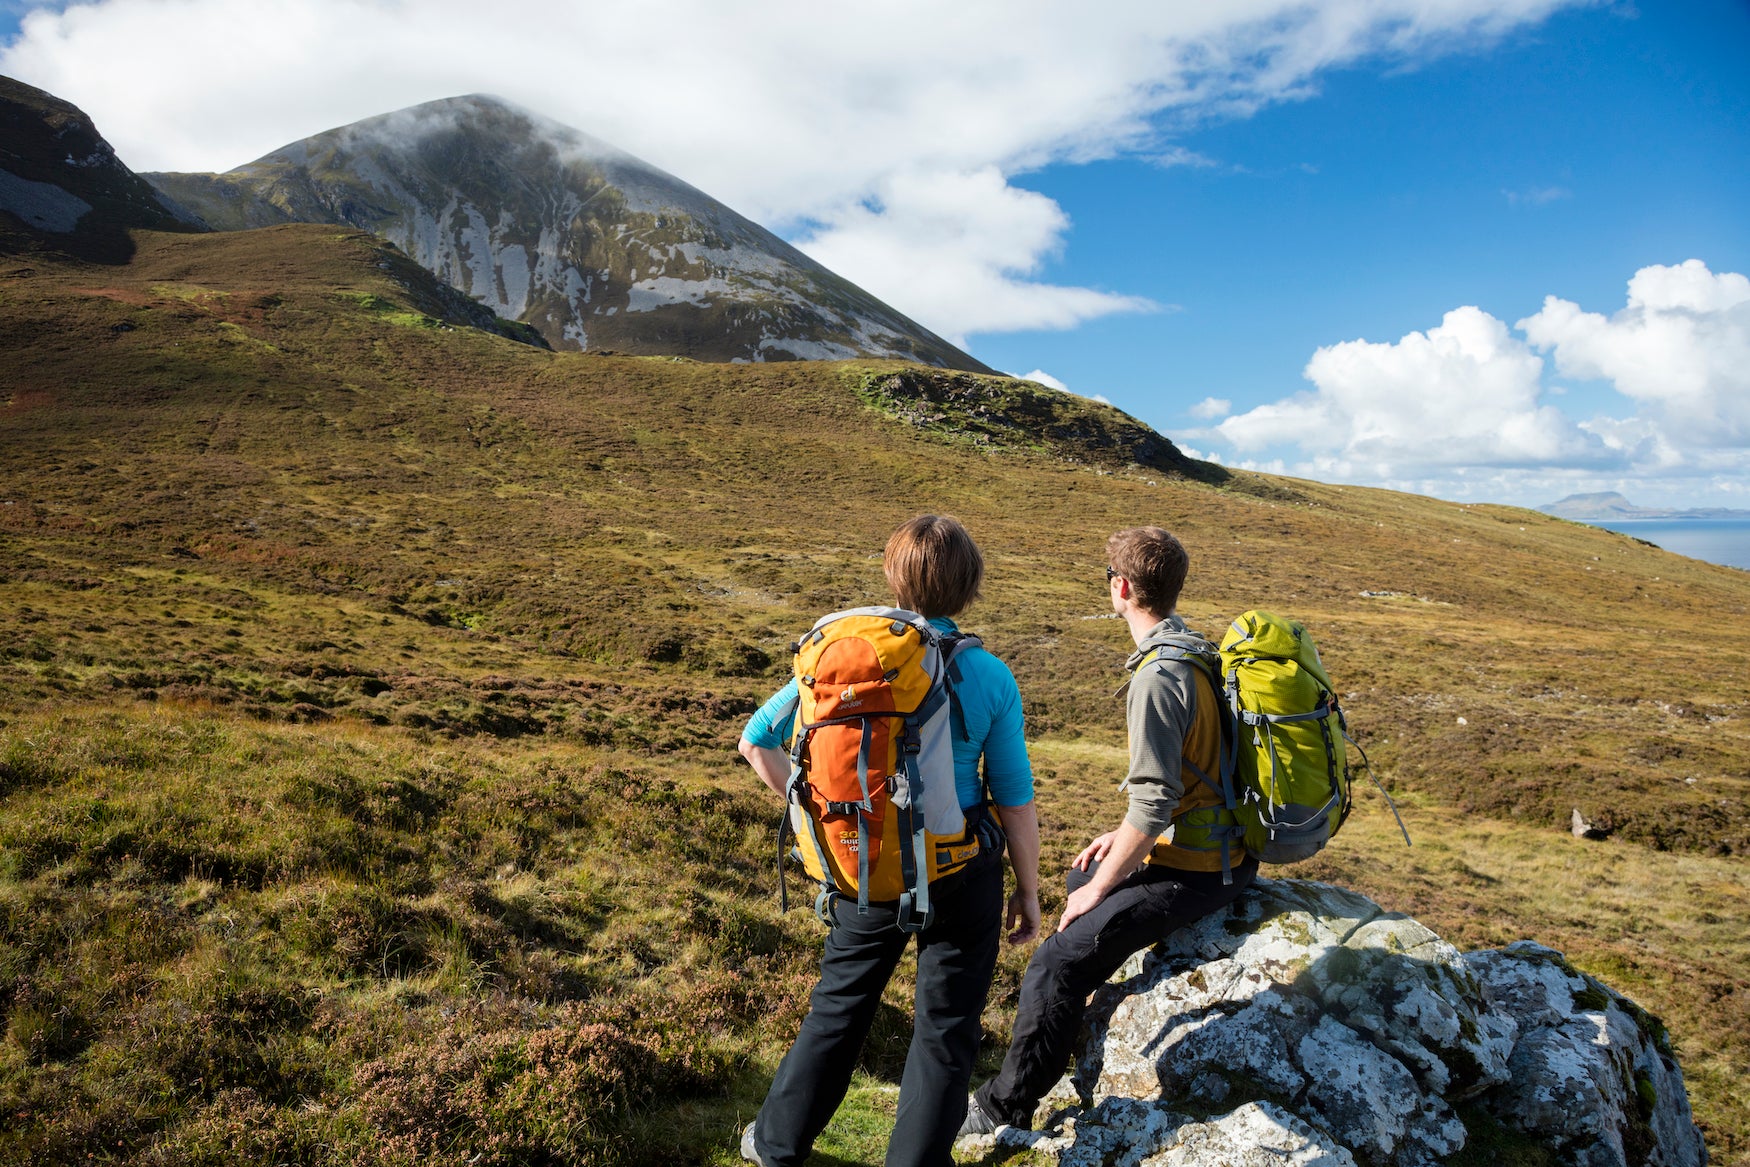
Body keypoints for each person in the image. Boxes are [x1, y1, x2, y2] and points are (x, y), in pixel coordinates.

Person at [737, 514, 1043, 1167]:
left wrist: (828, 818)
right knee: (946, 1029)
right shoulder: (988, 674)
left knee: (839, 1006)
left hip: (867, 860)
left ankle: (776, 1145)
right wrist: (1029, 889)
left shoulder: (841, 656)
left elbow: (755, 740)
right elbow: (1015, 797)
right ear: (970, 588)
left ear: (891, 576)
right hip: (961, 869)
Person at [960, 526, 1258, 1136]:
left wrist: (1098, 892)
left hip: (1202, 870)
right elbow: (1189, 783)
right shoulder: (1193, 650)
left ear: (1121, 589)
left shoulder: (1157, 677)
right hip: (1219, 846)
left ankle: (1003, 1107)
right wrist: (1112, 846)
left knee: (1057, 962)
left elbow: (1153, 807)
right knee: (1083, 870)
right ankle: (1061, 1037)